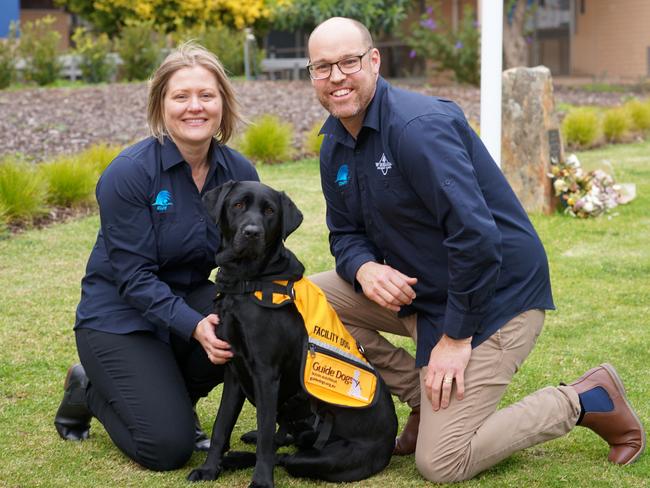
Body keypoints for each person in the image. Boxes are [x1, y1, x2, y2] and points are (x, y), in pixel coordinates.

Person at [307, 17, 645, 481]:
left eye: (348, 62)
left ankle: (585, 398)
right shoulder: (335, 144)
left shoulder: (416, 129)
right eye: (323, 67)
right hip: (425, 293)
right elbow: (343, 234)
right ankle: (420, 398)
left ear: (374, 61)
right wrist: (363, 267)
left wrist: (456, 338)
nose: (337, 77)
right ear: (311, 75)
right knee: (307, 300)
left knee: (441, 462)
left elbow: (477, 239)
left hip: (494, 300)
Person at [53, 42, 259, 471]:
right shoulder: (129, 173)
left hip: (189, 296)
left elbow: (248, 256)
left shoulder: (239, 173)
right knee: (167, 449)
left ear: (223, 101)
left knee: (250, 321)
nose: (194, 107)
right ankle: (88, 388)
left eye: (206, 95)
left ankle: (167, 400)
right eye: (180, 96)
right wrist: (195, 325)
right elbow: (132, 279)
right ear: (161, 105)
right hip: (120, 314)